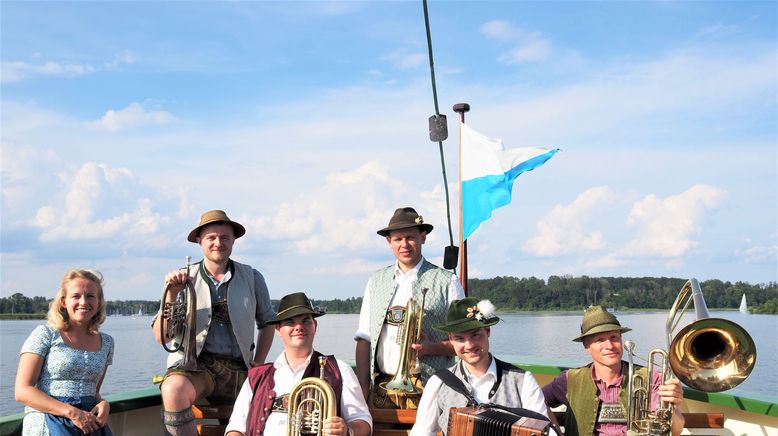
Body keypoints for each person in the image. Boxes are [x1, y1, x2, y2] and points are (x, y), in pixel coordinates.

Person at [151, 209, 275, 436]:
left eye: (224, 237)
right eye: (211, 238)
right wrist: (171, 294)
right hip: (196, 367)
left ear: (233, 241)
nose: (218, 243)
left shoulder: (252, 277)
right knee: (172, 389)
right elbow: (163, 338)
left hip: (240, 369)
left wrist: (258, 361)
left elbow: (267, 323)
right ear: (200, 241)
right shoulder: (181, 278)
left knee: (277, 398)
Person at [354, 207, 465, 409]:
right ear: (389, 242)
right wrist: (363, 386)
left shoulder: (448, 281)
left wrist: (431, 348)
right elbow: (364, 339)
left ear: (423, 238)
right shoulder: (375, 281)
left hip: (431, 388)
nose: (404, 244)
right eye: (397, 239)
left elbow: (462, 342)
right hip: (382, 388)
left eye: (410, 237)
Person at [226, 292, 372, 436]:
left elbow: (363, 422)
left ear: (315, 325)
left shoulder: (339, 370)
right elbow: (236, 427)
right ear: (278, 329)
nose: (298, 327)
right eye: (290, 322)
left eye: (305, 321)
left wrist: (347, 430)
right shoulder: (258, 376)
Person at [410, 297, 553, 435]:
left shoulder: (523, 381)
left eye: (475, 335)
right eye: (460, 338)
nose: (469, 345)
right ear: (450, 338)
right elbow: (423, 431)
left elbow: (543, 430)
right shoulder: (438, 382)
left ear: (488, 331)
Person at [542, 305, 686, 436]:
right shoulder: (570, 380)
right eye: (599, 340)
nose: (609, 345)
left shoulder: (650, 378)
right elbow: (537, 400)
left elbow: (676, 431)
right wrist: (555, 431)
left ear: (621, 339)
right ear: (586, 346)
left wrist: (673, 407)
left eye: (614, 337)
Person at [15, 269, 115, 436]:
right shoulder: (45, 334)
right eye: (76, 296)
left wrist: (104, 403)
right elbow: (22, 390)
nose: (83, 302)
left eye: (90, 296)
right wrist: (72, 413)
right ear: (63, 302)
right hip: (48, 418)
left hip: (88, 422)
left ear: (99, 302)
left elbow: (93, 391)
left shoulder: (107, 343)